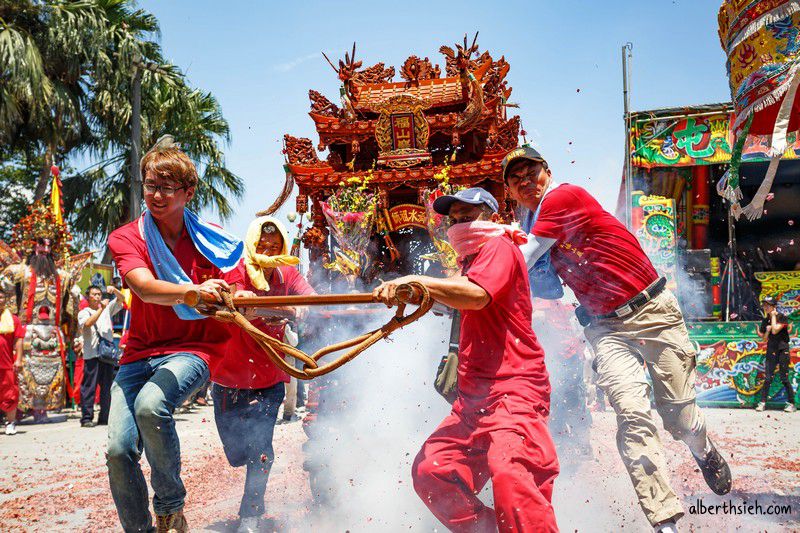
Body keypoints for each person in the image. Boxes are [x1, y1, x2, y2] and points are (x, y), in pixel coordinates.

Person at [502, 145, 731, 532]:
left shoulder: (563, 196)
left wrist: (477, 271)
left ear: (547, 170)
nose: (526, 183)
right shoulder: (533, 227)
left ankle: (702, 448)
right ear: (508, 191)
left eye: (531, 173)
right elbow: (547, 289)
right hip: (605, 328)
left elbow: (520, 261)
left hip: (653, 312)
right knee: (632, 415)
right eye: (515, 180)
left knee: (679, 419)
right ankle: (665, 523)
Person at [373, 187, 559, 533]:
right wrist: (412, 292)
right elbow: (454, 297)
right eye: (454, 217)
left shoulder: (499, 246)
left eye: (468, 214)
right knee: (431, 470)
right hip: (474, 400)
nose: (459, 222)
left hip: (514, 392)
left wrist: (414, 279)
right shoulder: (469, 262)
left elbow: (476, 296)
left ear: (492, 217)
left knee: (510, 473)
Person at [106, 136, 242, 533]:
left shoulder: (212, 241)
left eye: (167, 187)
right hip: (137, 356)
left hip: (193, 350)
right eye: (151, 185)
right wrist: (194, 292)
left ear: (188, 191)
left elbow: (238, 292)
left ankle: (169, 510)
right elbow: (145, 288)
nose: (157, 195)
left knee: (151, 405)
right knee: (117, 449)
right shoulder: (127, 237)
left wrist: (238, 297)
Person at [211, 216, 315, 533]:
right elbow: (242, 303)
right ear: (252, 244)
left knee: (261, 448)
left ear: (283, 247)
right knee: (236, 453)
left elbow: (308, 301)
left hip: (270, 379)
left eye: (275, 246)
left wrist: (276, 309)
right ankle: (250, 498)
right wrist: (285, 310)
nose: (268, 250)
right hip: (228, 379)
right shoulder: (237, 270)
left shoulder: (289, 273)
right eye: (262, 245)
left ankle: (251, 515)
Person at [3, 235, 80, 420]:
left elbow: (71, 307)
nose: (45, 250)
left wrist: (75, 334)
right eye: (41, 245)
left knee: (49, 375)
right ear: (33, 247)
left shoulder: (63, 276)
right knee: (22, 375)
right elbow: (7, 299)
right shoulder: (20, 272)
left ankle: (41, 410)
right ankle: (19, 409)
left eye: (48, 246)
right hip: (27, 333)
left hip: (53, 334)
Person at [77, 284, 124, 427]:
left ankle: (104, 417)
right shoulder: (84, 312)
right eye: (94, 294)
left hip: (107, 354)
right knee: (89, 387)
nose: (97, 297)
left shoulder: (107, 308)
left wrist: (114, 290)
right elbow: (88, 323)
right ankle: (86, 418)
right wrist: (101, 309)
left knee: (107, 388)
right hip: (92, 354)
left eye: (99, 294)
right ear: (88, 297)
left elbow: (121, 300)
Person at [756, 296, 796, 412]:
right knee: (768, 377)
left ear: (774, 306)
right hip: (771, 349)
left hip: (783, 350)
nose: (765, 307)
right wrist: (767, 331)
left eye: (768, 305)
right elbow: (764, 339)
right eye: (764, 305)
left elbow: (775, 330)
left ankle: (791, 403)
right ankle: (762, 402)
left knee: (784, 377)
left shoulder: (782, 317)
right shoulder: (765, 320)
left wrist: (773, 317)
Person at [0, 291, 24, 435]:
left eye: (1, 296)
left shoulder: (13, 319)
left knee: (10, 394)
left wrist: (19, 359)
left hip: (6, 363)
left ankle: (10, 422)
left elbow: (19, 340)